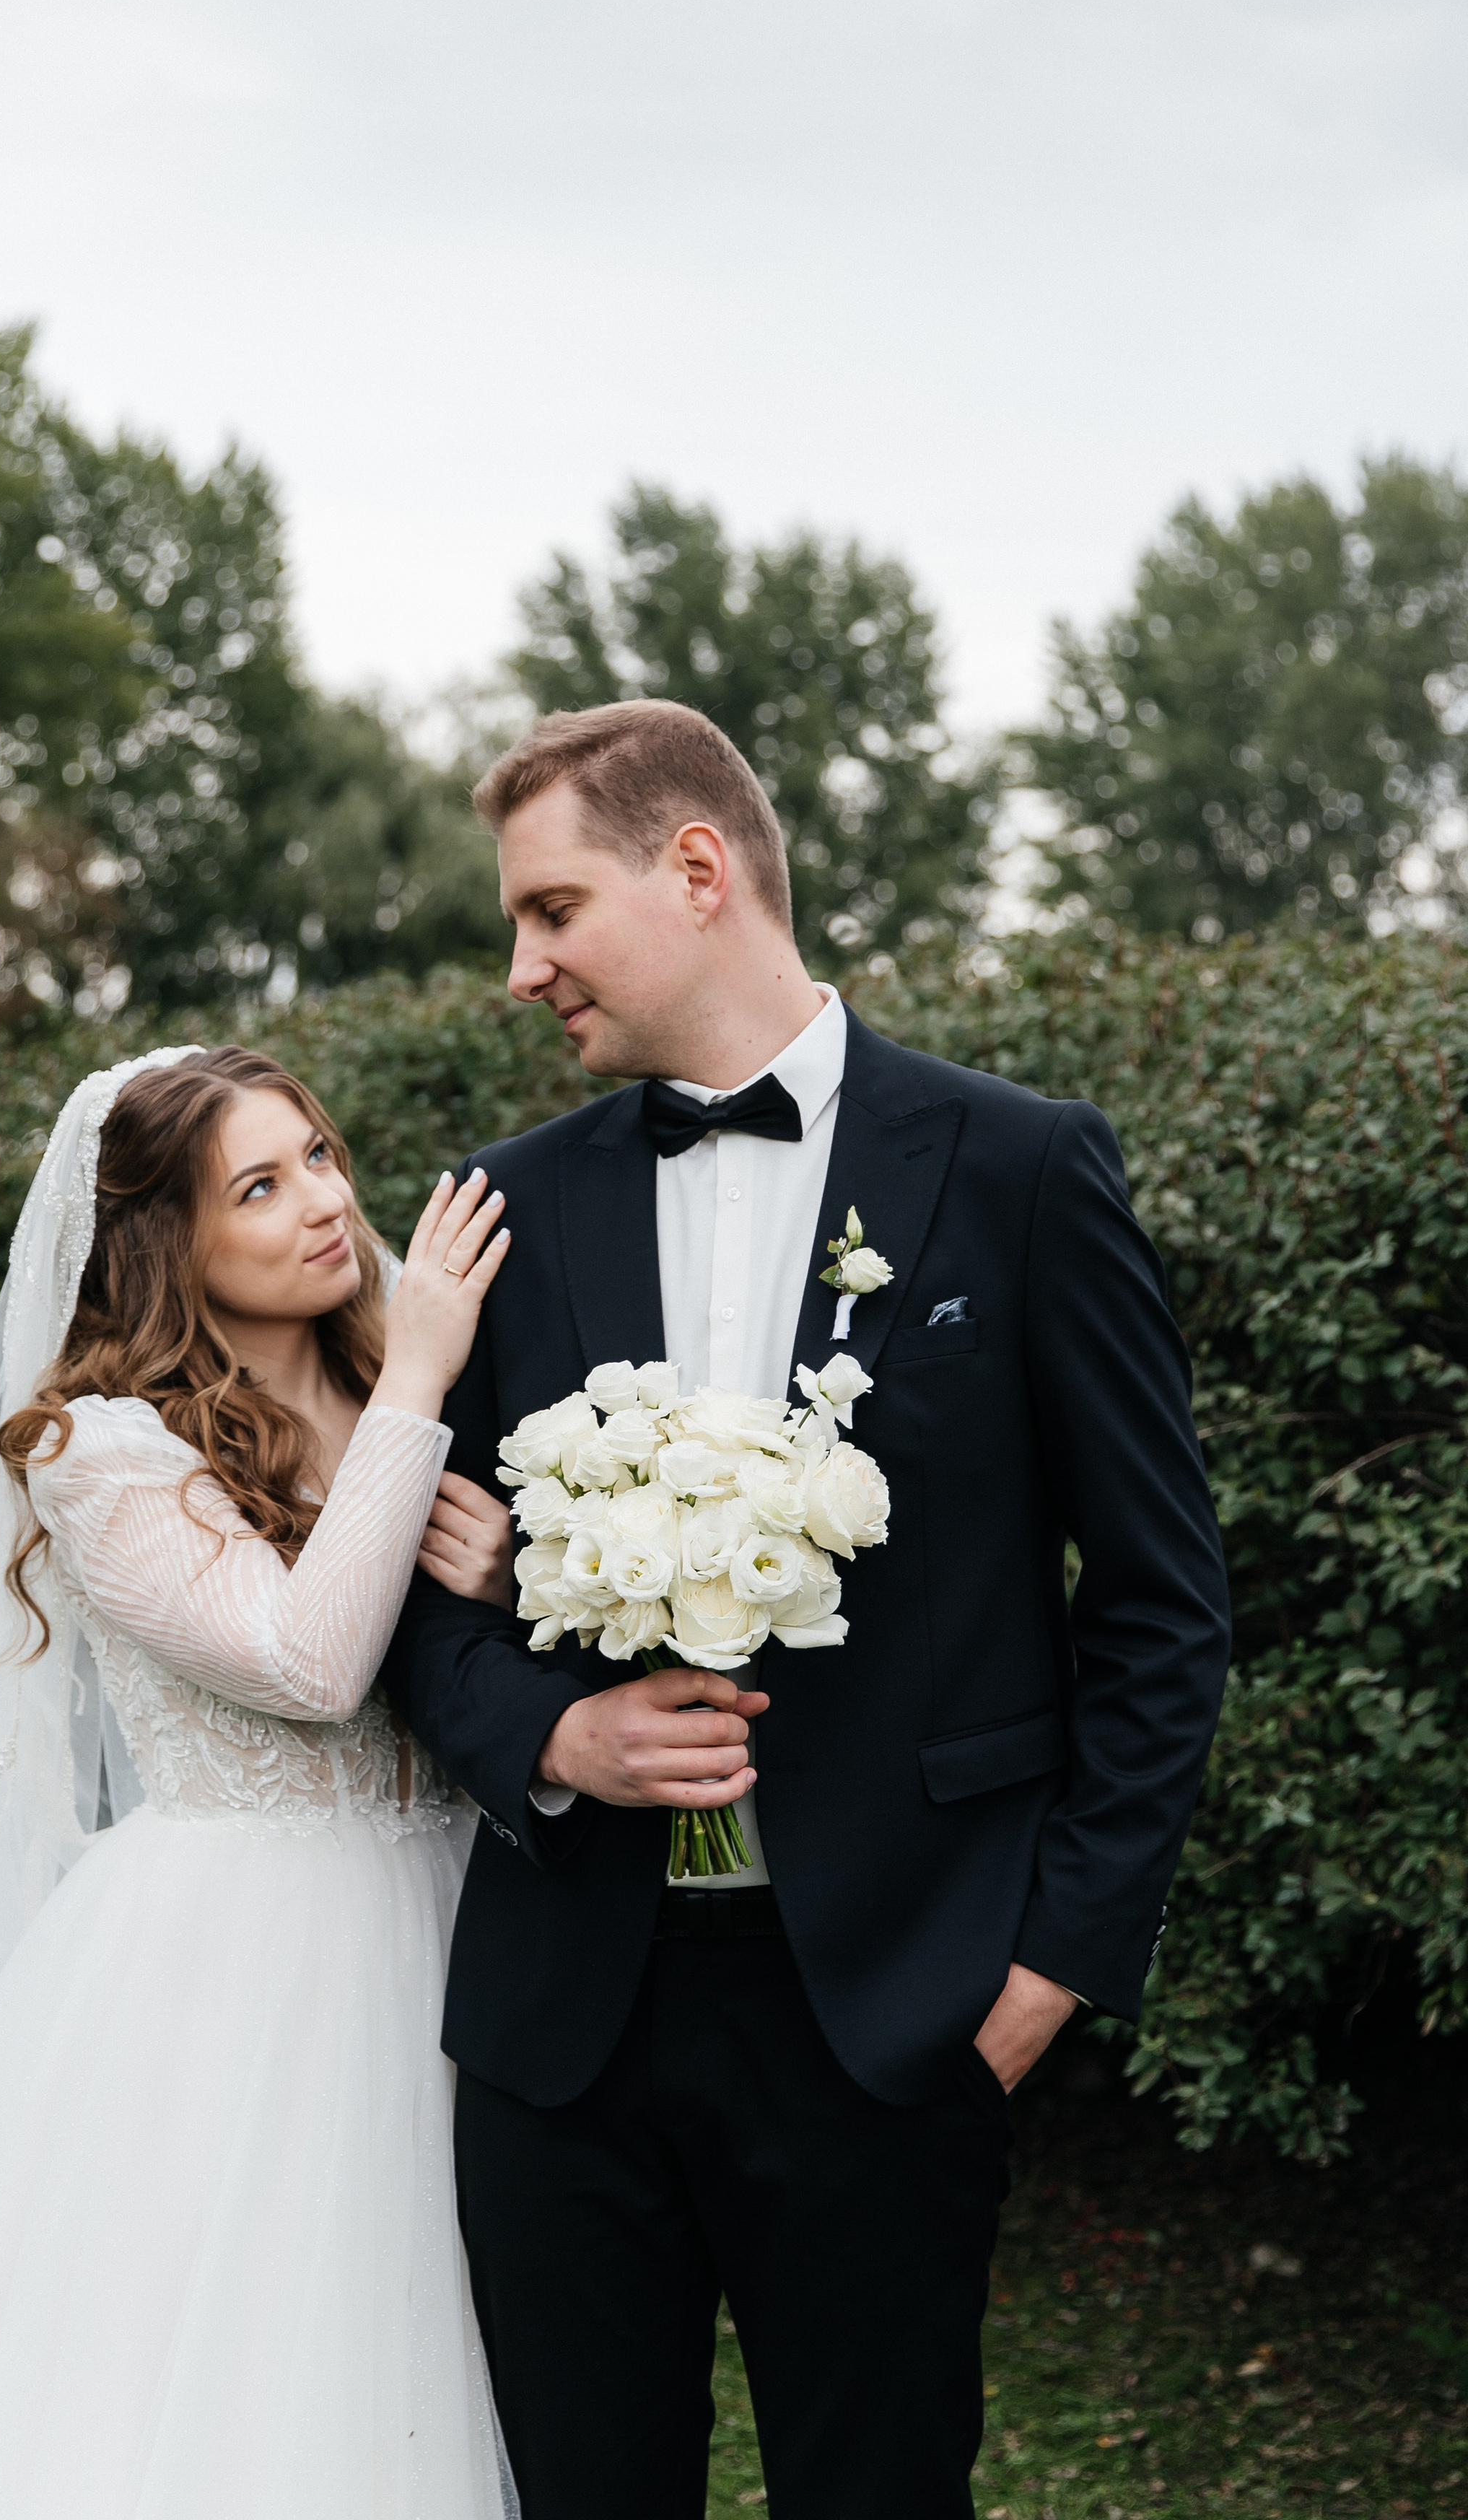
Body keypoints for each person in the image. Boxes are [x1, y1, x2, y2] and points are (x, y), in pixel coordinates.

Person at [382, 700, 1232, 2520]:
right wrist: (545, 1731)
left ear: (695, 869)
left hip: (897, 2010)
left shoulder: (1015, 1170)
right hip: (563, 2029)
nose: (517, 967)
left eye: (548, 911)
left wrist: (1048, 1970)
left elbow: (1159, 1607)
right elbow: (407, 1596)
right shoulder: (496, 1218)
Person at [0, 1044, 520, 2519]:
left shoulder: (380, 1389)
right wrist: (421, 1376)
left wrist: (495, 1571)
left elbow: (453, 1677)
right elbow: (310, 1663)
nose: (324, 1202)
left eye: (318, 1156)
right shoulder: (98, 1448)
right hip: (250, 1965)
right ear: (161, 1243)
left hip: (459, 1921)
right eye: (257, 1188)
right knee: (246, 2367)